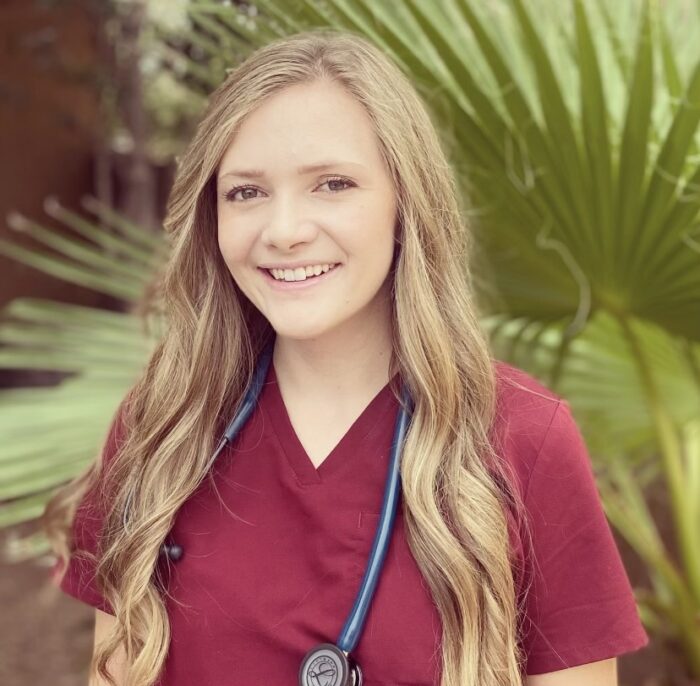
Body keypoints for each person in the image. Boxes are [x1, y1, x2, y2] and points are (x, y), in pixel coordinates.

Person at [44, 28, 648, 686]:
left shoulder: (524, 438)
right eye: (245, 192)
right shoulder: (162, 426)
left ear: (404, 203)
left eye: (332, 184)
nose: (284, 231)